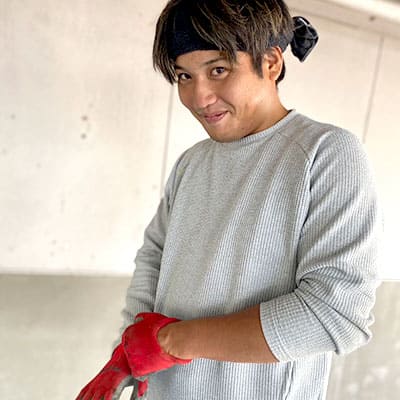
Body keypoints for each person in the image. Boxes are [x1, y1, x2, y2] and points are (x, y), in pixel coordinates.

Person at [75, 1, 380, 399]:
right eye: (184, 76)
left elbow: (335, 314)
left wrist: (172, 341)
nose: (199, 96)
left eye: (218, 70)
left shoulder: (326, 154)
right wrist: (127, 355)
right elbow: (153, 261)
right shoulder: (192, 164)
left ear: (271, 62)